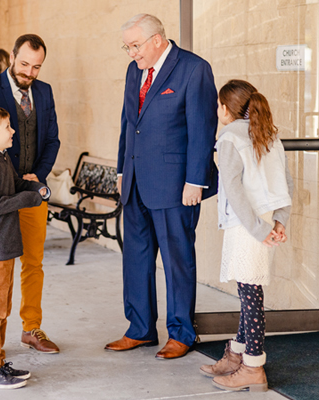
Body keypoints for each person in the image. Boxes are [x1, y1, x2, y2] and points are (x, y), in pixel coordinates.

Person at [105, 14, 218, 359]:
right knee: (136, 260)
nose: (131, 53)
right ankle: (139, 329)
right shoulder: (133, 72)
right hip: (136, 181)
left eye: (134, 46)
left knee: (177, 260)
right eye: (127, 47)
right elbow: (129, 123)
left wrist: (195, 180)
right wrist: (123, 169)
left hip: (175, 186)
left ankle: (181, 332)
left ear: (157, 40)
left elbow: (202, 128)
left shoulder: (194, 69)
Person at [0, 34, 60, 353]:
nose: (29, 72)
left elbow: (52, 140)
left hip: (31, 191)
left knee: (33, 263)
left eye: (36, 67)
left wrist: (40, 175)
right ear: (12, 56)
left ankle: (32, 328)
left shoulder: (45, 91)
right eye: (24, 64)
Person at [200, 80, 293, 392]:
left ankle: (253, 366)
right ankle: (236, 354)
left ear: (226, 109)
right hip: (265, 221)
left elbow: (235, 190)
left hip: (247, 226)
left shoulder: (229, 137)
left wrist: (258, 230)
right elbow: (284, 181)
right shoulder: (268, 133)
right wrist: (278, 221)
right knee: (247, 290)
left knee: (250, 294)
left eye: (217, 106)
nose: (216, 111)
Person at [0, 105, 50, 389]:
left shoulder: (0, 159)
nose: (13, 131)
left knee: (2, 308)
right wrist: (27, 200)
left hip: (4, 247)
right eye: (7, 127)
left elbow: (14, 185)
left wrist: (35, 189)